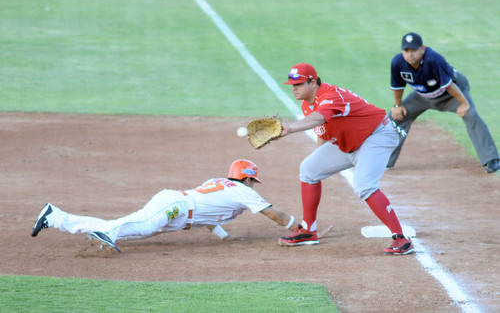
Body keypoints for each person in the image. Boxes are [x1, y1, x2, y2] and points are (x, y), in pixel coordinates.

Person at [31, 159, 332, 253]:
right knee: (140, 226)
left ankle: (57, 217)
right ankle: (109, 234)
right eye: (253, 181)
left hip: (175, 208)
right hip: (175, 207)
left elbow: (209, 215)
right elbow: (274, 215)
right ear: (248, 179)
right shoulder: (244, 192)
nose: (254, 186)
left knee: (134, 227)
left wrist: (225, 236)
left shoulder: (224, 185)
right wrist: (301, 227)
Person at [276, 62, 414, 255]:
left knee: (364, 185)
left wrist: (290, 128)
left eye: (298, 84)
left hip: (376, 136)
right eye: (292, 85)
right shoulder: (307, 104)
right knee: (309, 169)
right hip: (350, 143)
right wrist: (319, 160)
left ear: (313, 82)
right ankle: (308, 230)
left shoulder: (331, 95)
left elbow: (320, 118)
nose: (294, 89)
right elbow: (322, 131)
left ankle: (401, 239)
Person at [387, 32, 499, 173]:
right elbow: (398, 86)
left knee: (470, 114)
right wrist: (397, 105)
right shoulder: (398, 62)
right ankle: (385, 160)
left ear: (422, 48)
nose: (410, 54)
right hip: (422, 96)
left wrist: (464, 104)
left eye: (414, 50)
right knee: (395, 117)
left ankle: (491, 159)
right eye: (406, 50)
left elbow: (450, 85)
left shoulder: (433, 60)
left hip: (451, 93)